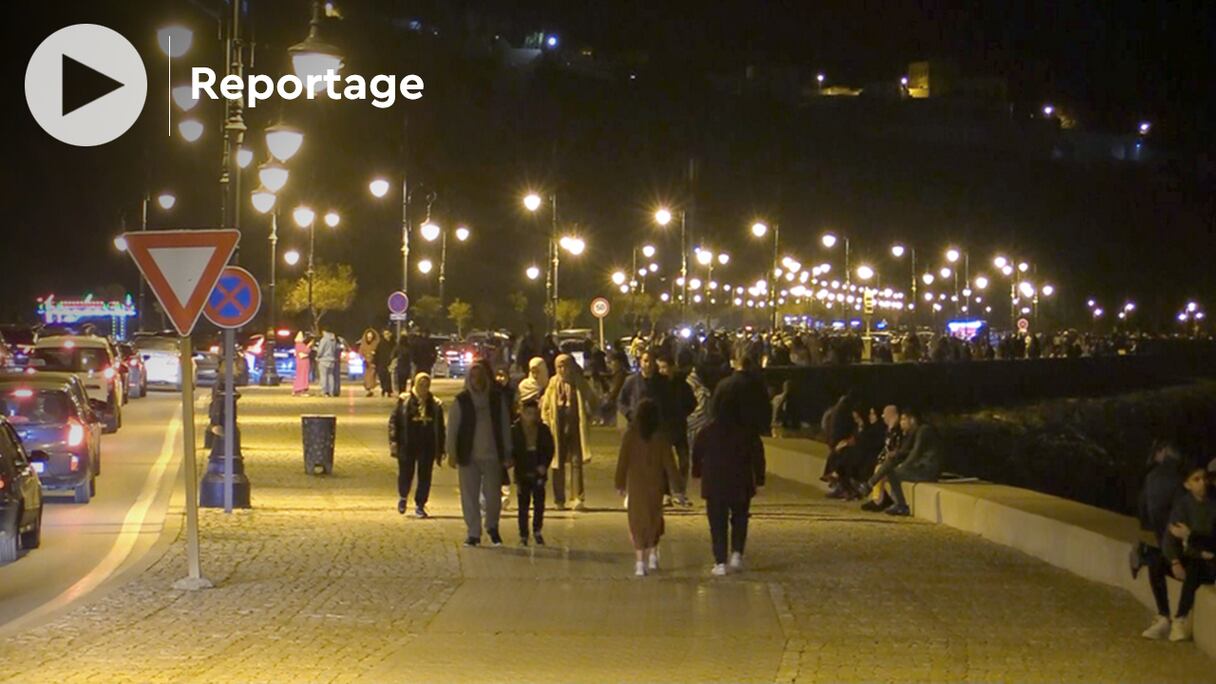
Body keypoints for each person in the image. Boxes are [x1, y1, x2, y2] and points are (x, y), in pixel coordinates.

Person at [693, 387, 766, 576]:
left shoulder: (707, 431)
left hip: (715, 484)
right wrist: (759, 478)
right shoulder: (747, 432)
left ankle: (720, 561)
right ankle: (737, 554)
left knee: (717, 523)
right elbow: (758, 456)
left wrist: (697, 472)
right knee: (740, 518)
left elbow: (697, 454)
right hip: (740, 482)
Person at [445, 361, 512, 547]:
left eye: (480, 376)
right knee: (469, 496)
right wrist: (451, 451)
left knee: (493, 497)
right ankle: (473, 532)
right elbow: (453, 428)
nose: (477, 381)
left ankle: (492, 527)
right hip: (469, 456)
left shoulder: (496, 400)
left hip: (493, 456)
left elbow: (504, 426)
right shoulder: (462, 401)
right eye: (473, 377)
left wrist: (507, 451)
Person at [614, 399, 680, 577]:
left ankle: (639, 562)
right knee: (654, 518)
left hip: (636, 485)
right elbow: (670, 464)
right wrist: (677, 486)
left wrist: (619, 483)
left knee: (636, 521)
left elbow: (623, 461)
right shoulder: (661, 437)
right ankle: (653, 555)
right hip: (656, 485)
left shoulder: (630, 436)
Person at [1159, 461, 1216, 642]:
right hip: (1194, 556)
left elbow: (1210, 541)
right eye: (1197, 479)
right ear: (1187, 484)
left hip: (1205, 561)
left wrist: (1190, 538)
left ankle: (1180, 618)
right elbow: (1171, 535)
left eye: (1205, 479)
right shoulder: (1183, 505)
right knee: (1155, 563)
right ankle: (1163, 616)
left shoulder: (1212, 507)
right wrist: (1174, 561)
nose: (1204, 483)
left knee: (1195, 568)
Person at [1135, 442, 1186, 639]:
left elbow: (1144, 514)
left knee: (1155, 561)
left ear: (1162, 453)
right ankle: (1170, 619)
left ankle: (1165, 616)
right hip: (1179, 549)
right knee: (1157, 561)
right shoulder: (1181, 479)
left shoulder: (1155, 478)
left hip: (1178, 550)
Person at [541, 354, 599, 511]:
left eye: (565, 366)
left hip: (574, 425)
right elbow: (545, 406)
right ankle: (559, 499)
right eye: (559, 366)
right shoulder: (553, 383)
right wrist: (547, 422)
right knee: (557, 463)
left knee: (576, 461)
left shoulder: (578, 382)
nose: (562, 369)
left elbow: (593, 400)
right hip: (557, 426)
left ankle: (577, 497)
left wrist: (590, 416)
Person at [861, 408, 942, 516]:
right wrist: (896, 454)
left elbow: (915, 453)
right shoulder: (914, 432)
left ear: (912, 420)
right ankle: (870, 484)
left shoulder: (924, 431)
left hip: (927, 471)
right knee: (892, 460)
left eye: (904, 419)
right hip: (921, 467)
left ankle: (901, 504)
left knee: (892, 473)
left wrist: (903, 467)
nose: (901, 422)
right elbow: (905, 451)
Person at [388, 372, 445, 518]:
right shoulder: (405, 401)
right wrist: (394, 441)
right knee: (406, 473)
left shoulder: (435, 404)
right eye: (421, 384)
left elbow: (440, 428)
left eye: (426, 385)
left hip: (427, 445)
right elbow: (394, 421)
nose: (423, 387)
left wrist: (441, 448)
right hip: (408, 443)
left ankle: (420, 504)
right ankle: (403, 496)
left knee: (425, 476)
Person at [512, 398, 554, 546]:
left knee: (539, 502)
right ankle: (523, 533)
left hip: (538, 468)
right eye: (528, 413)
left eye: (534, 413)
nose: (531, 417)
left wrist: (544, 465)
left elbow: (549, 448)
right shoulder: (515, 430)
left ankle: (537, 529)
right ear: (522, 413)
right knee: (523, 503)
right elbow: (513, 451)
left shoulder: (543, 430)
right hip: (522, 470)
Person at [657, 355, 694, 507]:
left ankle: (680, 492)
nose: (662, 371)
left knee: (684, 460)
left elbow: (692, 402)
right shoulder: (657, 386)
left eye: (664, 367)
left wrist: (682, 413)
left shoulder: (682, 385)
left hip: (679, 427)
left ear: (672, 367)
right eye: (660, 368)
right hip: (663, 427)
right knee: (665, 462)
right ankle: (666, 493)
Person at [860, 405, 903, 512]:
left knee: (881, 469)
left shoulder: (898, 430)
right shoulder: (889, 430)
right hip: (891, 461)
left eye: (885, 415)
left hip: (899, 462)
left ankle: (878, 499)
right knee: (878, 466)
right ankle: (877, 496)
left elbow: (894, 448)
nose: (883, 417)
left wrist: (891, 429)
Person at [316, 328, 339, 397]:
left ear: (324, 331)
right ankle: (331, 391)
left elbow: (320, 350)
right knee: (330, 376)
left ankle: (324, 391)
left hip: (324, 360)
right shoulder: (334, 340)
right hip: (332, 360)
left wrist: (318, 356)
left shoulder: (324, 339)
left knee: (323, 376)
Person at [374, 329, 394, 397]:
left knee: (388, 377)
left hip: (389, 363)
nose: (387, 335)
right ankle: (383, 389)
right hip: (381, 363)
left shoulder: (392, 343)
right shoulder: (380, 343)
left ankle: (388, 390)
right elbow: (377, 353)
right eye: (385, 334)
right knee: (382, 377)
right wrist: (375, 362)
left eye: (388, 334)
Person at [360, 329, 380, 397]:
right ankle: (368, 388)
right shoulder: (363, 344)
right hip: (366, 364)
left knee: (371, 377)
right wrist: (363, 358)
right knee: (366, 377)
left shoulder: (375, 344)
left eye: (370, 337)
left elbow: (378, 352)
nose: (369, 339)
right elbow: (361, 352)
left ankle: (370, 389)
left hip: (372, 363)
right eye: (368, 337)